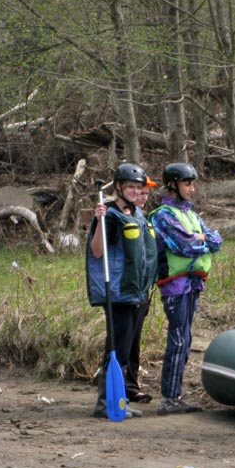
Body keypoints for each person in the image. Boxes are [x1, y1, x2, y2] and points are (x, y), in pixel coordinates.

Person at [85, 162, 158, 418]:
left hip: (137, 294)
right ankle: (105, 404)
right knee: (116, 348)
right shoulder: (109, 213)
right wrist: (99, 221)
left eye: (139, 188)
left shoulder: (137, 214)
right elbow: (97, 251)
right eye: (130, 187)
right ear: (118, 187)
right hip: (117, 293)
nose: (136, 192)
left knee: (126, 350)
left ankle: (120, 401)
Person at [149, 162, 222, 415]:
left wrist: (204, 238)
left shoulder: (190, 215)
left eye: (192, 183)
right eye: (187, 184)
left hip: (193, 282)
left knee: (185, 338)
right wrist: (202, 239)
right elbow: (185, 245)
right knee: (179, 339)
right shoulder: (163, 215)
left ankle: (175, 396)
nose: (192, 189)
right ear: (173, 185)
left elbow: (216, 239)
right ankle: (169, 398)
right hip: (175, 285)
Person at [125, 173, 159, 404]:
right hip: (125, 292)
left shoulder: (144, 219)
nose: (144, 197)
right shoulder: (120, 217)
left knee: (135, 340)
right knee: (123, 339)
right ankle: (120, 388)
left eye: (146, 193)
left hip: (143, 290)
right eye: (140, 192)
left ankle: (132, 385)